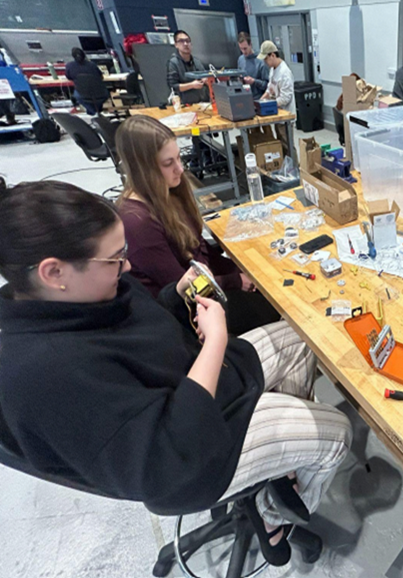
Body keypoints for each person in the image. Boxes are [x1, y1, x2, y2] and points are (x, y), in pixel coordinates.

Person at [0, 180, 352, 566]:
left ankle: (279, 470)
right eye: (115, 259)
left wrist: (174, 296)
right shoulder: (43, 375)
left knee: (304, 337)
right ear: (54, 272)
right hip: (196, 455)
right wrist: (216, 342)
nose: (128, 266)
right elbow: (168, 457)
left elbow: (140, 329)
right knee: (337, 435)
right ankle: (273, 514)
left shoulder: (82, 293)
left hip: (205, 387)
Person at [116, 115, 280, 335]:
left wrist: (242, 271)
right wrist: (235, 280)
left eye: (178, 158)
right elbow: (183, 287)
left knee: (269, 280)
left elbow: (198, 251)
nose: (180, 169)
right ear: (142, 170)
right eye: (168, 163)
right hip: (189, 311)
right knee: (276, 307)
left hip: (205, 284)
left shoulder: (170, 192)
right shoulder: (137, 223)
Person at [259, 41, 296, 154]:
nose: (265, 62)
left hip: (286, 116)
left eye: (266, 59)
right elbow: (270, 89)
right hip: (277, 114)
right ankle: (285, 166)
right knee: (281, 144)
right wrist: (259, 102)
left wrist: (269, 105)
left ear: (273, 55)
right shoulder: (272, 70)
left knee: (287, 145)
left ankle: (294, 169)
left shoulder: (285, 72)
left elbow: (285, 98)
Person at [167, 30, 210, 104]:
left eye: (188, 41)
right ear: (176, 45)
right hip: (184, 104)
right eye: (181, 41)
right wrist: (192, 85)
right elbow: (173, 86)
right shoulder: (173, 63)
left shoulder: (197, 61)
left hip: (201, 102)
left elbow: (204, 76)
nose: (185, 44)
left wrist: (206, 80)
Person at [65, 47, 105, 115]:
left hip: (83, 93)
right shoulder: (92, 64)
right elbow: (101, 77)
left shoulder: (69, 66)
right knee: (96, 98)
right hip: (100, 92)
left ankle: (93, 112)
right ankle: (96, 112)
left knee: (77, 95)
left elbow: (69, 77)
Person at [237, 31, 270, 98]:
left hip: (258, 99)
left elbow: (268, 86)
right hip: (244, 98)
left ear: (250, 45)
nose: (243, 51)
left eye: (245, 48)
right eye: (241, 49)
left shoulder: (260, 61)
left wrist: (254, 81)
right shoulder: (240, 60)